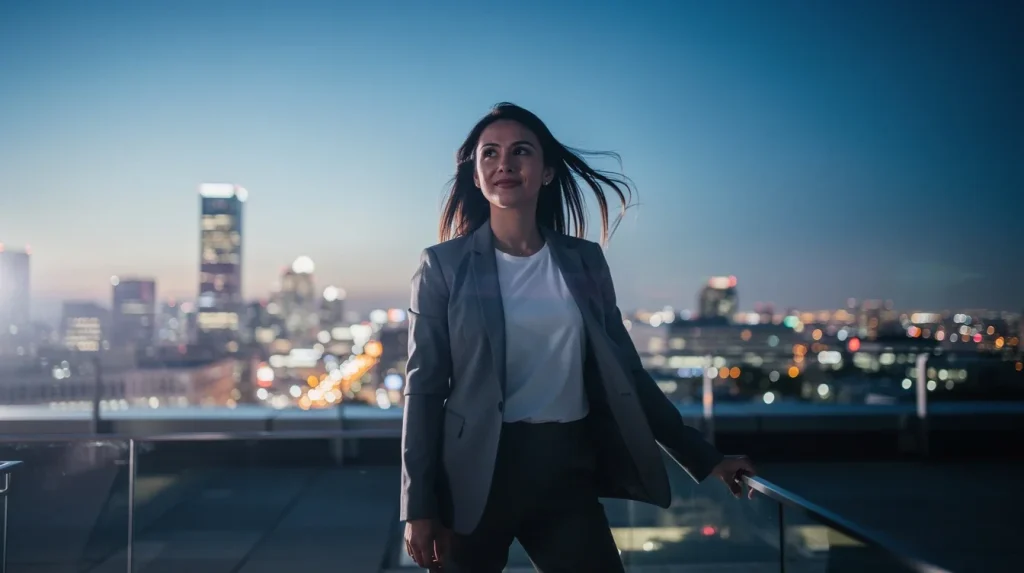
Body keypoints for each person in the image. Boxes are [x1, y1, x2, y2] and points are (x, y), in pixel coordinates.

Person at [401, 102, 755, 572]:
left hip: (566, 471)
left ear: (546, 171)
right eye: (489, 154)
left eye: (520, 151)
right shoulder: (443, 266)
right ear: (476, 175)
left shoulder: (584, 261)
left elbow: (626, 373)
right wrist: (418, 506)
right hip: (473, 478)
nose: (504, 163)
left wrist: (705, 457)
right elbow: (423, 391)